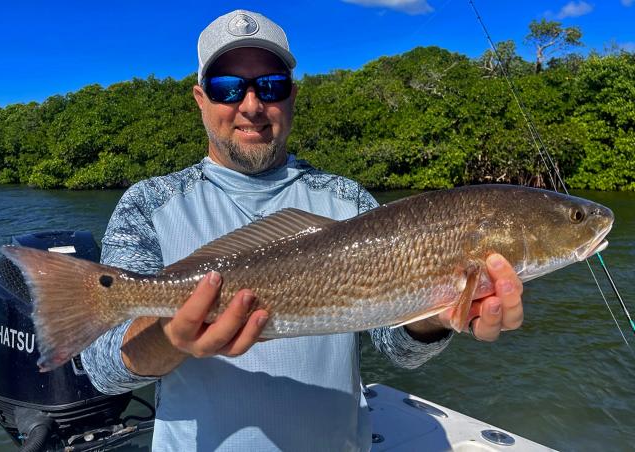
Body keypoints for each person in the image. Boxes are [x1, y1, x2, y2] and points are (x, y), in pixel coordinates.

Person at [81, 9, 524, 451]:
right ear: (201, 98)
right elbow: (102, 371)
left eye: (270, 86)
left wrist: (437, 314)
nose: (251, 105)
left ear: (292, 95)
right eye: (227, 88)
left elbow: (397, 348)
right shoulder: (147, 203)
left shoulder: (348, 201)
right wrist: (169, 336)